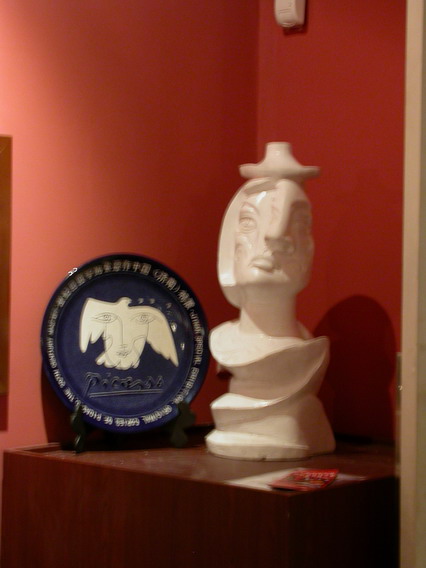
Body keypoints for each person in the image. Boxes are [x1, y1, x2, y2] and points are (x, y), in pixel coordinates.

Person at [206, 143, 335, 460]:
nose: (274, 238)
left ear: (310, 250)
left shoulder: (309, 356)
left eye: (299, 224)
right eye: (250, 222)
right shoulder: (222, 342)